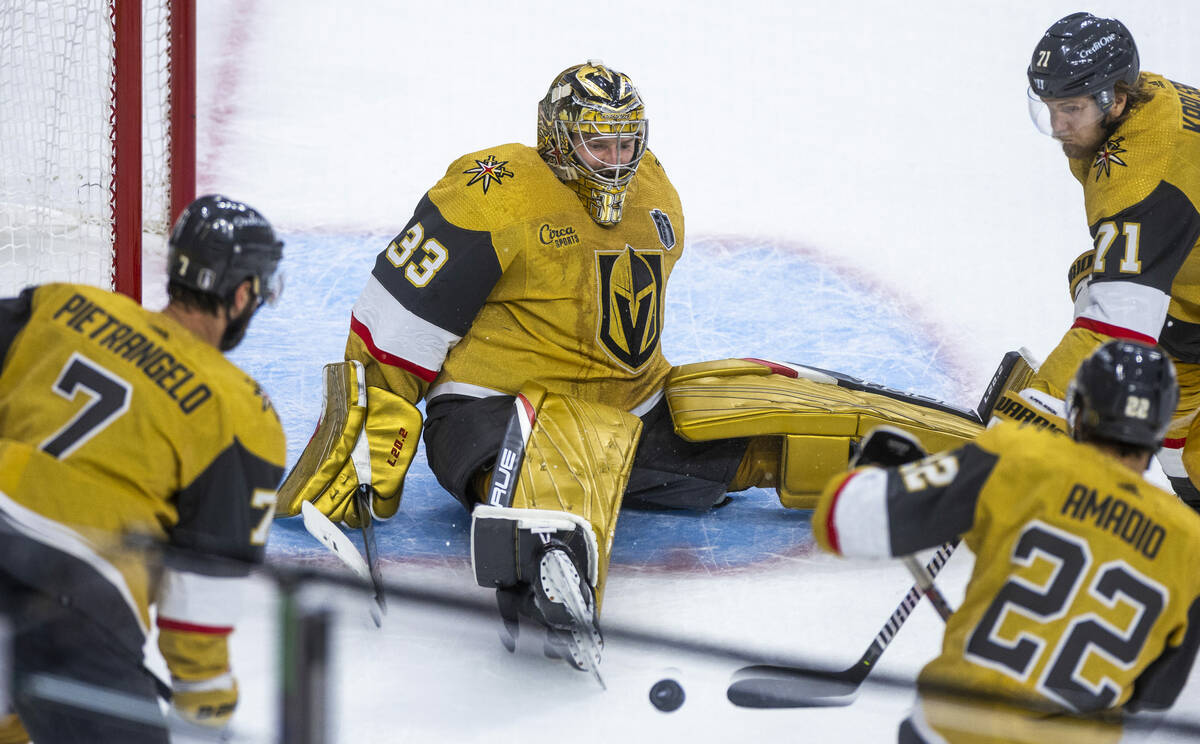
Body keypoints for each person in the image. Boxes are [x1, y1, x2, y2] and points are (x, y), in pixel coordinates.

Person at [276, 61, 983, 674]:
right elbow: (397, 323)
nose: (616, 158)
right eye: (597, 141)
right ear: (557, 137)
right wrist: (367, 443)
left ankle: (925, 459)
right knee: (544, 454)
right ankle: (545, 569)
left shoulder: (654, 189)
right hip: (492, 408)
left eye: (627, 141)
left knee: (756, 423)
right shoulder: (489, 191)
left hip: (629, 408)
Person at [0, 195, 286, 743]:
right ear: (243, 293)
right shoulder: (239, 412)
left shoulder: (60, 305)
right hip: (73, 597)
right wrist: (208, 706)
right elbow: (201, 591)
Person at [814, 341, 1200, 743]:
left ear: (1079, 409)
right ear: (1159, 427)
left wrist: (880, 476)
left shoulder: (1020, 457)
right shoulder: (1191, 545)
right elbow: (1155, 702)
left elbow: (842, 520)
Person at [1021, 12, 1200, 515]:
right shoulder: (1146, 99)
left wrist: (1035, 417)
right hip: (1191, 308)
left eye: (1070, 108)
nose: (1058, 126)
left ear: (1115, 99)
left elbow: (1116, 326)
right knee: (1094, 273)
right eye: (1050, 107)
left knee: (1110, 294)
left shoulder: (1142, 178)